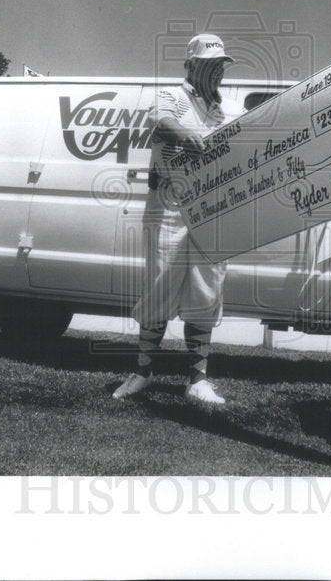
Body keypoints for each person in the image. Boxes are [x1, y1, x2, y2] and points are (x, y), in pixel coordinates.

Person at [112, 34, 237, 405]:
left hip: (212, 205)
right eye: (208, 64)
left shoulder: (227, 108)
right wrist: (187, 135)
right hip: (168, 202)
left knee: (206, 288)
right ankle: (143, 372)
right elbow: (161, 124)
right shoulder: (170, 95)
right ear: (191, 65)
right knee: (159, 284)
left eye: (220, 65)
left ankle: (197, 379)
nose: (216, 72)